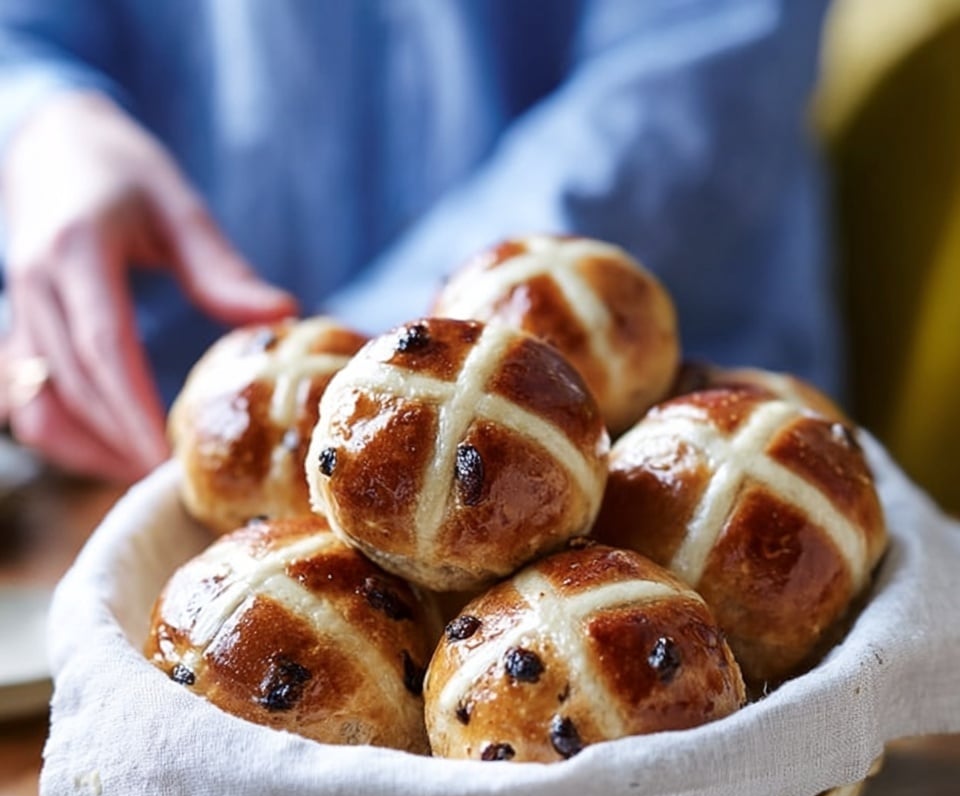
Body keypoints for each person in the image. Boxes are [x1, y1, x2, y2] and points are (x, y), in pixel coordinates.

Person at [0, 0, 835, 482]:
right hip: (146, 442)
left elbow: (688, 86)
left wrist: (358, 373)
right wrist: (41, 122)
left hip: (669, 446)